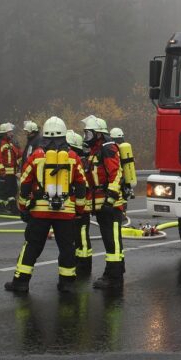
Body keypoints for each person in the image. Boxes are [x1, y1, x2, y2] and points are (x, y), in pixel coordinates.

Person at [5, 116, 87, 294]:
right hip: (66, 212)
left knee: (32, 246)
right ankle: (67, 284)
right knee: (67, 247)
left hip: (39, 212)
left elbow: (25, 182)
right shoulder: (73, 157)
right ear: (64, 136)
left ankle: (20, 283)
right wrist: (79, 211)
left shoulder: (36, 156)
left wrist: (23, 207)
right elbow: (82, 185)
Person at [83, 115, 125, 290]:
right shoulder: (96, 151)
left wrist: (110, 200)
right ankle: (115, 272)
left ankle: (113, 277)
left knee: (112, 240)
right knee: (110, 240)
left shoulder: (108, 149)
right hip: (102, 205)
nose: (86, 137)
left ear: (98, 134)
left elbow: (116, 175)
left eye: (89, 133)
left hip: (111, 205)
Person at [67, 129, 93, 276]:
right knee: (76, 236)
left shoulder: (79, 161)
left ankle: (84, 266)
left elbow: (81, 186)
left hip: (81, 206)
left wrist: (79, 208)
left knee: (81, 235)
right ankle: (78, 262)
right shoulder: (79, 160)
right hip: (76, 206)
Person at [0, 122, 21, 215]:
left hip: (11, 172)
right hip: (2, 172)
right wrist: (2, 170)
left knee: (13, 190)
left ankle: (12, 207)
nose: (11, 134)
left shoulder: (11, 142)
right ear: (4, 133)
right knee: (3, 191)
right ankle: (2, 208)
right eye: (9, 132)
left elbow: (18, 155)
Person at [109, 127, 137, 208]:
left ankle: (119, 214)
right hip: (125, 179)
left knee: (118, 198)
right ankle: (123, 213)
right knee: (123, 198)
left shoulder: (113, 149)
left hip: (119, 179)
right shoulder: (125, 149)